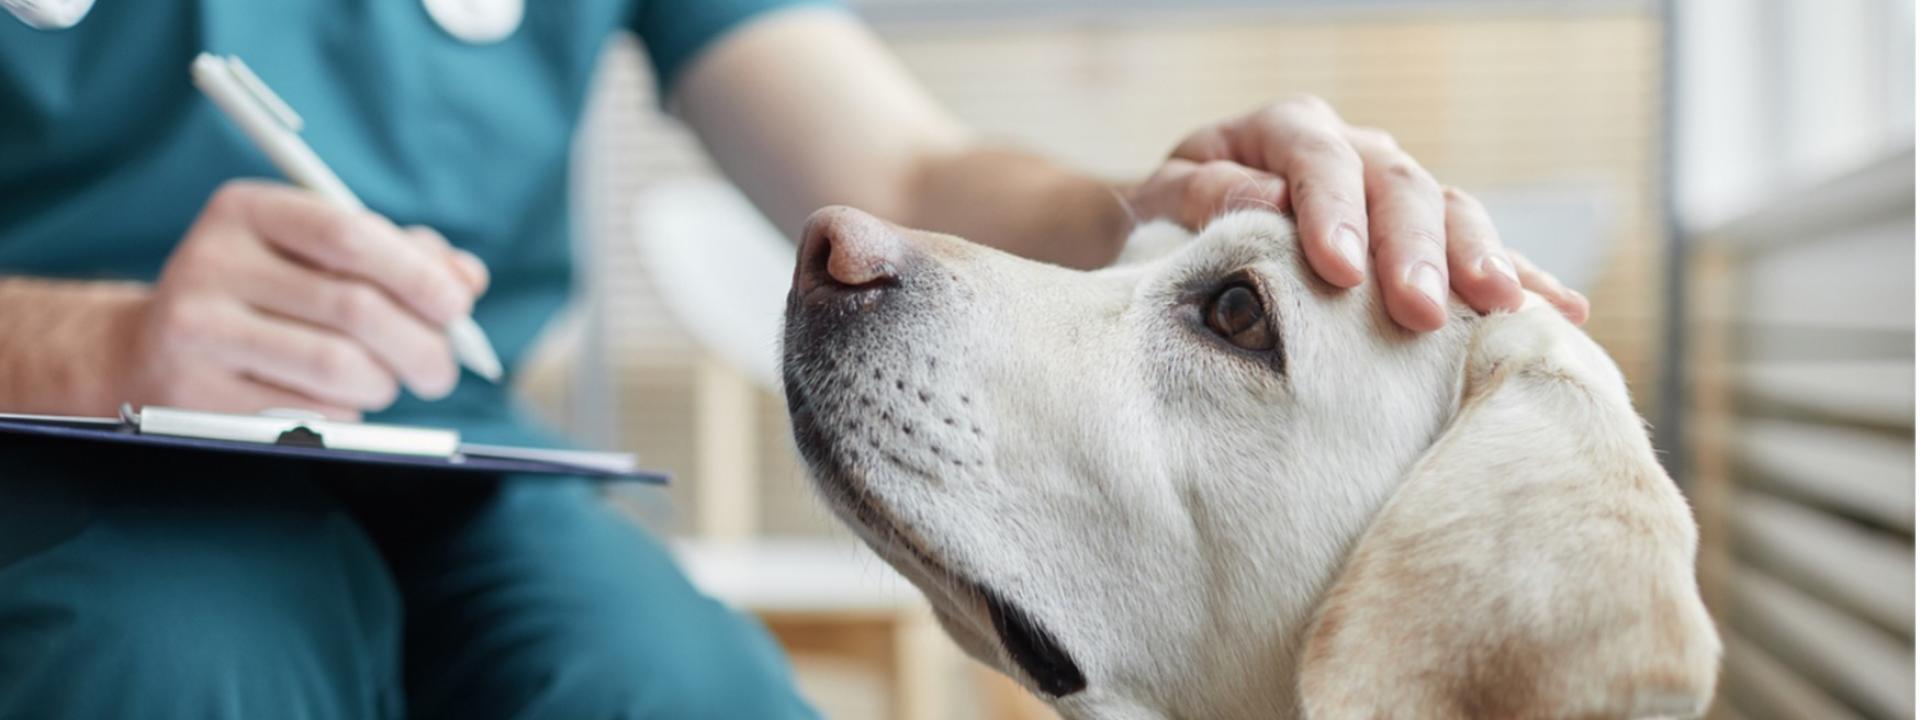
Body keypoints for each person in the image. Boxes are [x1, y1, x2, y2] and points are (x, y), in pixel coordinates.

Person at [0, 1, 1587, 718]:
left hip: (460, 447)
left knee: (674, 687)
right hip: (44, 439)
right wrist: (87, 338)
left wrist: (1149, 200)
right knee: (175, 667)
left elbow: (898, 173)